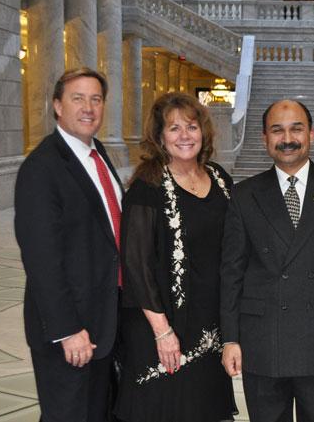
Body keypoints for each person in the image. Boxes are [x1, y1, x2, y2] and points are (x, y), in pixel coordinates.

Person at [220, 99, 314, 422]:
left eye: (296, 129)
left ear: (311, 134)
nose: (287, 138)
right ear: (264, 139)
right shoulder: (244, 195)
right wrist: (230, 338)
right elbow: (231, 272)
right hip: (262, 340)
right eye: (277, 130)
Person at [115, 93, 237, 421]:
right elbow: (136, 265)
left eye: (192, 127)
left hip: (210, 327)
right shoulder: (146, 187)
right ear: (159, 137)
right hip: (161, 327)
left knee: (204, 409)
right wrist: (162, 332)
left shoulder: (221, 179)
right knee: (164, 409)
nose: (184, 135)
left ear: (204, 132)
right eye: (174, 128)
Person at [14, 67, 122, 422]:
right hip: (72, 333)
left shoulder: (97, 153)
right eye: (78, 99)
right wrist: (66, 330)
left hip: (102, 323)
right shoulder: (42, 168)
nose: (88, 107)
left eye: (96, 99)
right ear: (57, 106)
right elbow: (41, 260)